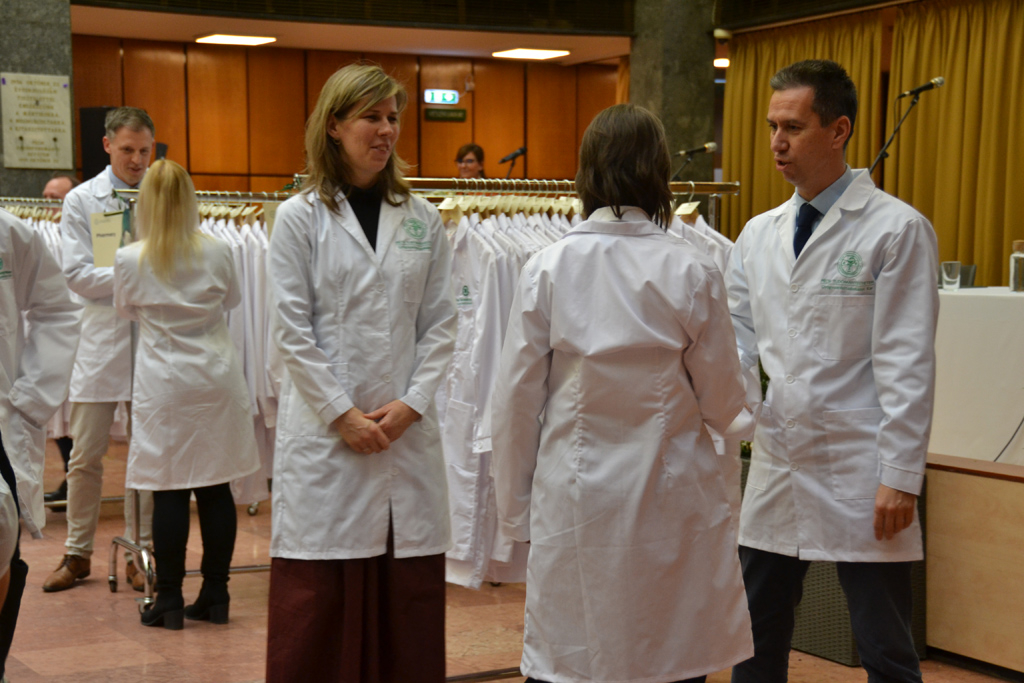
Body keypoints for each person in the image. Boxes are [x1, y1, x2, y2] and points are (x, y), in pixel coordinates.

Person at [491, 103, 752, 683]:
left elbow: (515, 404)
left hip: (576, 493)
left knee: (575, 653)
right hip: (668, 491)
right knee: (667, 652)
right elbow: (723, 403)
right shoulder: (692, 270)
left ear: (586, 173)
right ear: (658, 174)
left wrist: (514, 512)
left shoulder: (547, 268)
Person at [726, 59, 938, 683]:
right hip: (778, 458)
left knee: (883, 645)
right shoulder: (757, 234)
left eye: (793, 127)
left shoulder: (896, 230)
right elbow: (736, 343)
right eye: (772, 127)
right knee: (753, 638)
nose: (777, 142)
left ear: (839, 130)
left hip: (860, 466)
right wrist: (737, 421)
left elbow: (906, 360)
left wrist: (901, 475)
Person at [265, 64, 456, 681]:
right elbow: (291, 329)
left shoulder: (422, 219)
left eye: (393, 118)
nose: (386, 130)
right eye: (371, 117)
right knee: (319, 611)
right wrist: (341, 414)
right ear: (334, 125)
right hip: (329, 442)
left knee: (407, 605)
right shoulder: (299, 217)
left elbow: (442, 323)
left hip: (404, 436)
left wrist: (413, 404)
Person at [113, 159, 260, 629]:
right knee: (216, 487)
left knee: (169, 488)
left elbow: (124, 309)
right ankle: (216, 593)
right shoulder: (219, 251)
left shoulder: (130, 258)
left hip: (165, 383)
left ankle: (170, 598)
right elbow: (233, 301)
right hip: (216, 378)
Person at [44, 106, 156, 593]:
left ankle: (139, 550)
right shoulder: (82, 200)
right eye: (128, 149)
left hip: (152, 340)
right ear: (108, 145)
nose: (137, 160)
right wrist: (140, 276)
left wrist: (134, 277)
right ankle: (77, 553)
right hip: (100, 340)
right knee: (86, 454)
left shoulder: (161, 194)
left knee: (146, 455)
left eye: (145, 151)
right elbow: (78, 275)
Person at [0, 207, 81, 678]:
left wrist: (30, 398)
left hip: (0, 422)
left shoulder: (9, 232)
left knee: (3, 548)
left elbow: (58, 309)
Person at [41, 172, 80, 505]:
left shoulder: (78, 235)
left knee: (73, 413)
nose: (47, 204)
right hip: (47, 335)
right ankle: (71, 477)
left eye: (56, 199)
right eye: (45, 197)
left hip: (78, 333)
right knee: (57, 411)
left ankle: (75, 479)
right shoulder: (36, 234)